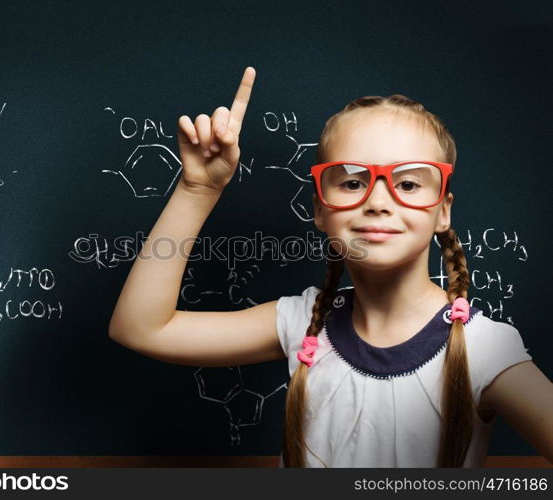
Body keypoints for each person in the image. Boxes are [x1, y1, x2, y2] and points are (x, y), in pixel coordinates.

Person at [108, 66, 553, 468]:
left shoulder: (485, 348)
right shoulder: (302, 322)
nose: (379, 202)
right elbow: (142, 328)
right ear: (320, 210)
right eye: (353, 181)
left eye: (410, 182)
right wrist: (197, 189)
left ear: (442, 211)